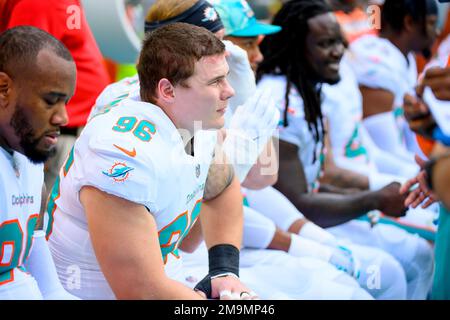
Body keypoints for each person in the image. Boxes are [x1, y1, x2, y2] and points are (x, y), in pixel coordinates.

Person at [44, 22, 263, 300]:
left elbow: (222, 187)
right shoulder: (121, 151)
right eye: (214, 81)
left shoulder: (191, 116)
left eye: (226, 77)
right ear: (168, 91)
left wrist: (224, 271)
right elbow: (140, 291)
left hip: (169, 278)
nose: (229, 91)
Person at [255, 0, 434, 299]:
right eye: (325, 44)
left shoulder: (306, 88)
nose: (338, 51)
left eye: (339, 42)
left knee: (417, 254)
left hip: (317, 215)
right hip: (286, 227)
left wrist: (382, 192)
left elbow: (319, 176)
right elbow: (298, 201)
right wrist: (375, 198)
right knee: (388, 271)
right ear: (296, 47)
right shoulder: (278, 101)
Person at [0, 0, 111, 192]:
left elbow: (23, 73)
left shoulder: (36, 3)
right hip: (73, 124)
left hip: (58, 130)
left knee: (39, 216)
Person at [0, 26, 77, 299]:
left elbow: (52, 290)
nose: (63, 118)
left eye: (66, 102)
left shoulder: (28, 159)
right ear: (3, 89)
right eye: (50, 101)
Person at [348, 0, 439, 161]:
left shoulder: (405, 57)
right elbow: (383, 149)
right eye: (431, 23)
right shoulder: (373, 63)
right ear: (409, 22)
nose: (436, 32)